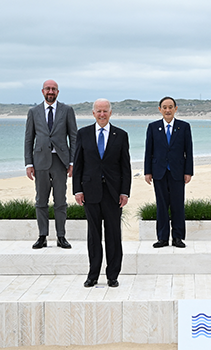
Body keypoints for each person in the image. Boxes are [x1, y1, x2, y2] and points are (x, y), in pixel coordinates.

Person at [73, 99, 132, 288]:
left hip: (113, 193)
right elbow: (78, 164)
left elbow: (125, 167)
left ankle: (112, 275)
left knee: (114, 235)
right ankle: (93, 275)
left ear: (110, 112)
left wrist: (125, 192)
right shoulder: (83, 134)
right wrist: (77, 190)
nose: (102, 114)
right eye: (98, 111)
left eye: (105, 111)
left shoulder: (121, 135)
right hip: (90, 192)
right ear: (93, 113)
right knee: (93, 235)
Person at [25, 79, 77, 249]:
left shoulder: (67, 110)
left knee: (60, 201)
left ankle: (61, 236)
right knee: (41, 200)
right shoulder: (33, 112)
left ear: (58, 92)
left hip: (60, 162)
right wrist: (28, 163)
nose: (50, 91)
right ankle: (42, 236)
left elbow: (73, 137)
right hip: (40, 161)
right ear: (42, 91)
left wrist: (72, 161)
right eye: (48, 89)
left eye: (53, 89)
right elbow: (29, 139)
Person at [144, 97, 194, 248]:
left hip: (177, 172)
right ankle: (162, 238)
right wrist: (147, 171)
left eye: (170, 107)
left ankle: (178, 237)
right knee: (161, 206)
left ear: (175, 109)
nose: (167, 110)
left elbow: (189, 151)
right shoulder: (153, 127)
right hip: (159, 172)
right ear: (159, 109)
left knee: (178, 205)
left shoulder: (184, 127)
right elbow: (149, 151)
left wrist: (188, 171)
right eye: (164, 107)